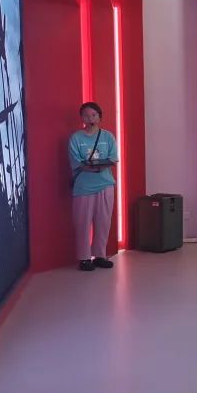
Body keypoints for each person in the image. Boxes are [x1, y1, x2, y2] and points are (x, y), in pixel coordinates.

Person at [69, 102, 119, 272]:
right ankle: (84, 258)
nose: (90, 118)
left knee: (103, 222)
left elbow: (113, 158)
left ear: (99, 117)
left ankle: (100, 255)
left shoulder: (108, 137)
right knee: (82, 223)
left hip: (105, 185)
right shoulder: (76, 138)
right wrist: (90, 167)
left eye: (93, 115)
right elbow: (76, 161)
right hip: (83, 187)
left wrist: (99, 166)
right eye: (86, 115)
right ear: (81, 118)